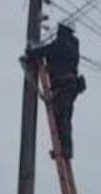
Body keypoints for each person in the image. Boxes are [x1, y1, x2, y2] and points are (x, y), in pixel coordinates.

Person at [24, 22, 86, 158]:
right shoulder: (73, 45)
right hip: (70, 86)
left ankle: (65, 149)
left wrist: (31, 52)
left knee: (61, 118)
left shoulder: (61, 44)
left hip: (63, 86)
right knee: (64, 118)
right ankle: (63, 148)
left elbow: (44, 51)